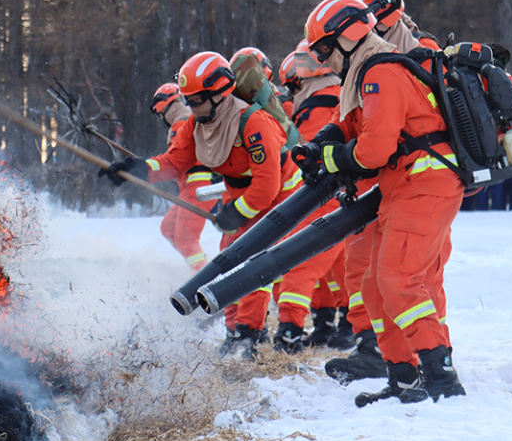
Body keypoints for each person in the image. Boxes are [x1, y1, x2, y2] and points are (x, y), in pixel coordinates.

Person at [101, 51, 341, 358]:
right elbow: (174, 161)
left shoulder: (254, 124)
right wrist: (138, 169)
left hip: (280, 193)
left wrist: (237, 213)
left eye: (196, 100)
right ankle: (233, 332)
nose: (191, 107)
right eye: (188, 100)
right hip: (240, 192)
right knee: (228, 259)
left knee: (254, 261)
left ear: (218, 94)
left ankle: (248, 335)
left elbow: (267, 186)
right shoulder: (195, 124)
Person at [298, 0, 465, 405]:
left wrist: (333, 158)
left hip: (424, 184)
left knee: (398, 279)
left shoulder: (380, 72)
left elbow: (373, 150)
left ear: (347, 37)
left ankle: (441, 376)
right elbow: (354, 124)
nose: (323, 60)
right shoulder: (367, 72)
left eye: (324, 49)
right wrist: (321, 143)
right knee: (374, 287)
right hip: (403, 187)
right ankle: (403, 376)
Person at [279, 44, 353, 349]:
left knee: (300, 260)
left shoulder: (318, 105)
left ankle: (290, 331)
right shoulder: (339, 95)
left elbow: (306, 155)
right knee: (339, 267)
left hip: (321, 195)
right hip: (341, 194)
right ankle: (340, 323)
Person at [149, 82, 219, 271]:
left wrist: (145, 168)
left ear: (163, 108)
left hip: (198, 189)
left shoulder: (181, 123)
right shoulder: (188, 118)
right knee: (169, 228)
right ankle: (195, 267)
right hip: (191, 187)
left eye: (160, 114)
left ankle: (202, 276)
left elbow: (174, 161)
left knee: (186, 238)